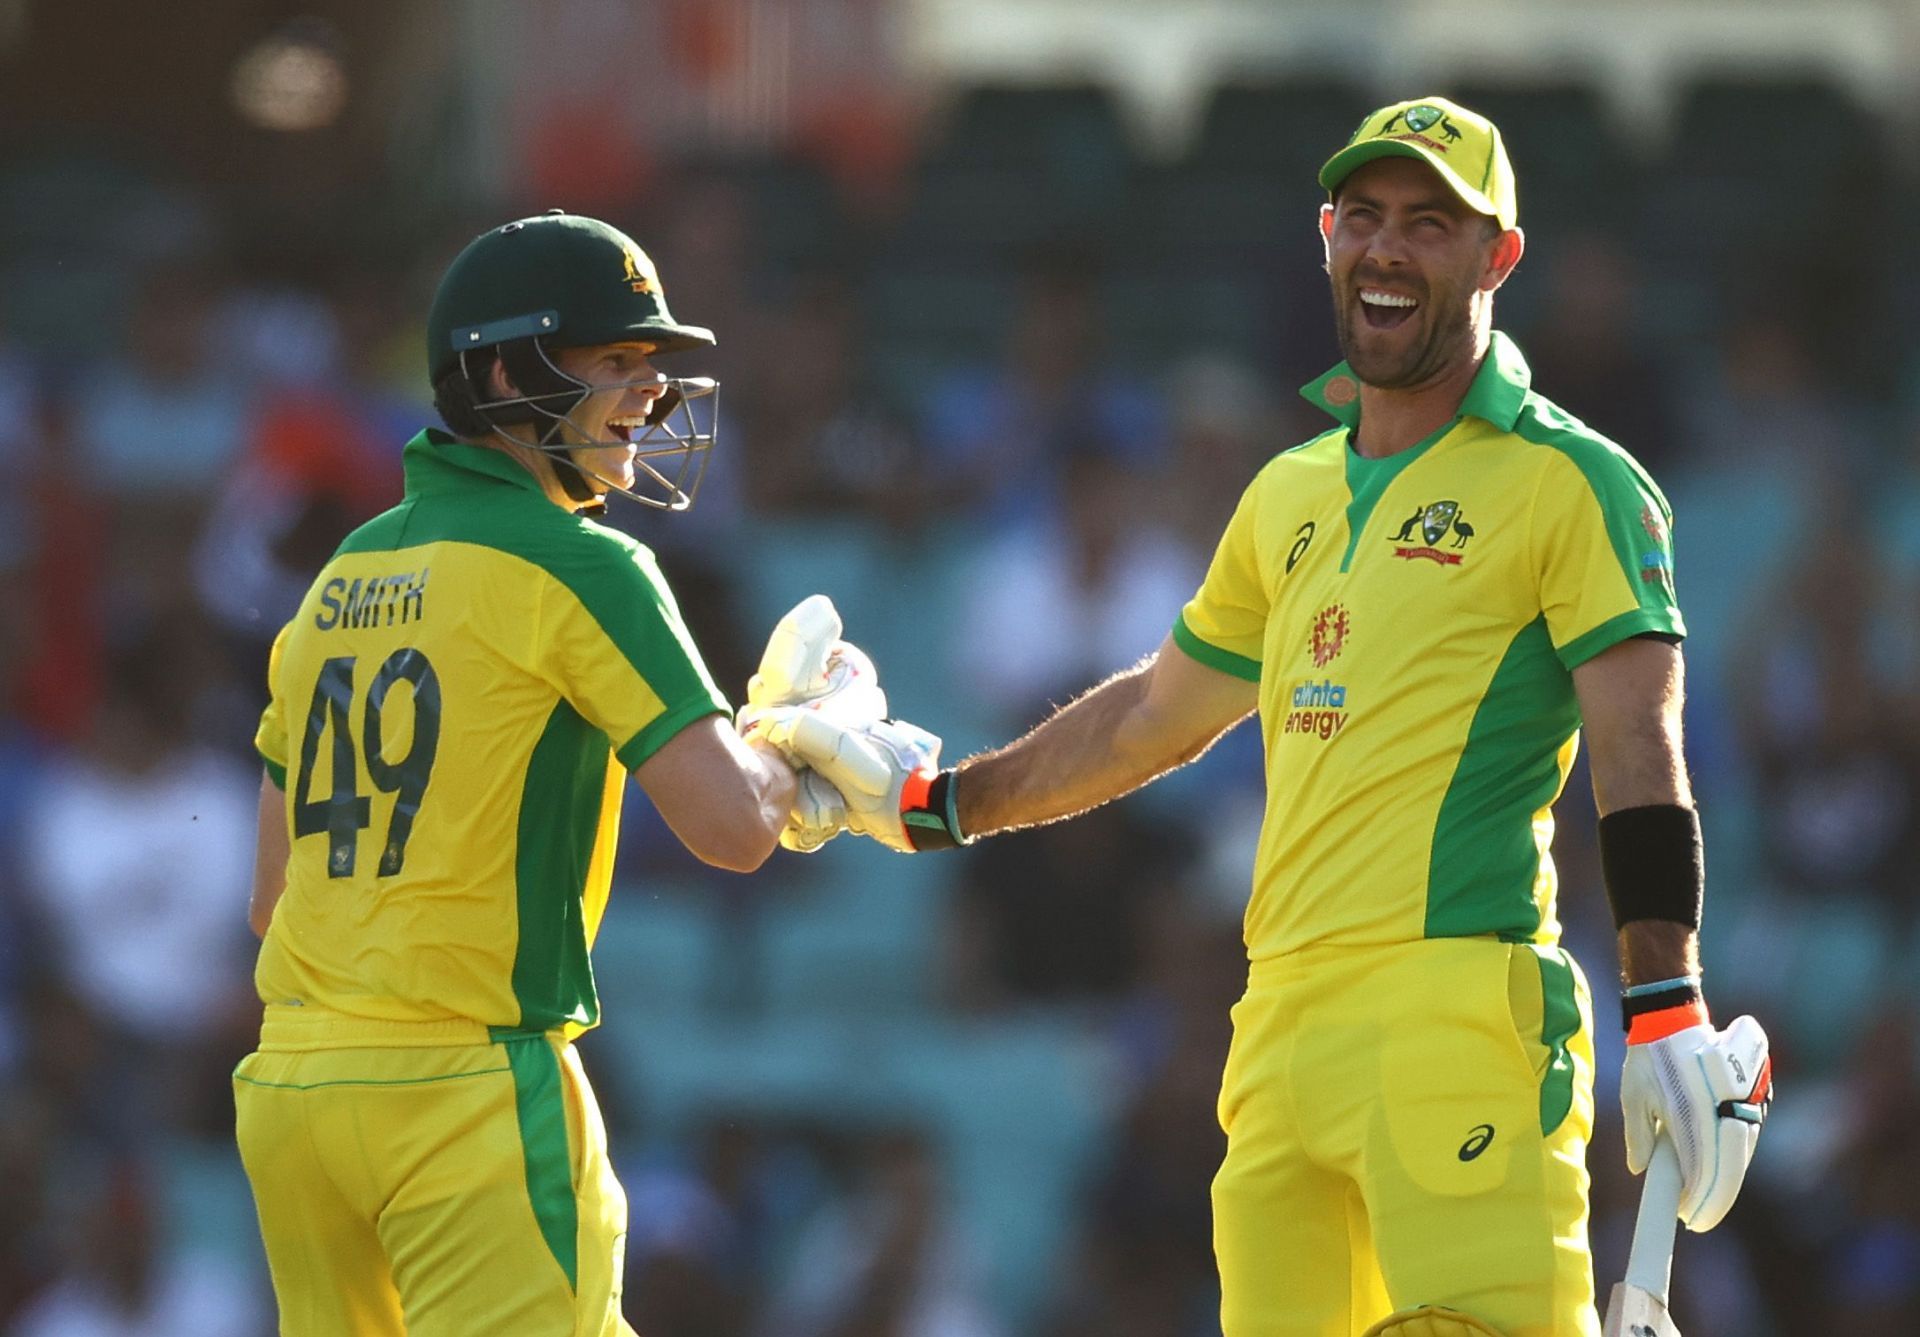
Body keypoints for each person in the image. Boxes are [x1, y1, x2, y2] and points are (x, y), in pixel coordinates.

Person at [752, 99, 1774, 1337]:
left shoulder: (1576, 480)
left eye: (1431, 222)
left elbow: (1639, 743)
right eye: (1365, 217)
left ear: (1498, 256)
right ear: (1327, 238)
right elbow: (1149, 716)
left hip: (1454, 1004)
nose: (1387, 248)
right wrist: (939, 804)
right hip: (1279, 1022)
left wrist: (1664, 996)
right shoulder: (1287, 489)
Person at [235, 210, 803, 1336]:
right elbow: (736, 828)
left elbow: (269, 902)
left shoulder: (343, 571)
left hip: (295, 1089)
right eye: (613, 359)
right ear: (500, 373)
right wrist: (794, 738)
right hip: (466, 1093)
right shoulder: (589, 563)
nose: (648, 389)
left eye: (649, 362)